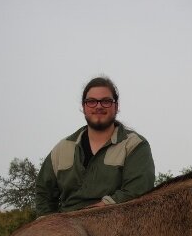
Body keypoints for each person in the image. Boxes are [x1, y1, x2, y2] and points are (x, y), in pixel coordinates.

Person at [35, 76, 155, 216]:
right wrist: (48, 225)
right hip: (66, 227)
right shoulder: (62, 148)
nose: (98, 106)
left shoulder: (135, 145)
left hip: (116, 223)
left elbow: (137, 190)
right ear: (84, 107)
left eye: (106, 101)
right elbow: (43, 191)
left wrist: (95, 213)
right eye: (91, 101)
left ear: (116, 106)